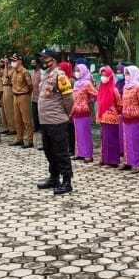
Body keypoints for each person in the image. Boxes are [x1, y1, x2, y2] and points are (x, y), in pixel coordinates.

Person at [36, 49, 74, 195]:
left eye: (45, 59)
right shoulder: (46, 75)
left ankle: (67, 181)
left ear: (53, 60)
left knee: (61, 152)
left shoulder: (60, 76)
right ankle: (54, 177)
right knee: (49, 151)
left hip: (56, 120)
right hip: (46, 120)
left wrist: (66, 113)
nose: (42, 61)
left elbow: (69, 99)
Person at [120, 65, 139, 173]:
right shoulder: (125, 86)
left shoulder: (138, 87)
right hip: (126, 117)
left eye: (128, 73)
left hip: (136, 118)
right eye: (125, 73)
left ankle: (137, 164)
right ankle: (128, 161)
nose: (126, 75)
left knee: (135, 141)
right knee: (127, 140)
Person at [71, 63, 98, 163]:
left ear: (83, 71)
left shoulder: (87, 83)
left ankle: (88, 155)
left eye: (78, 70)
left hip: (84, 111)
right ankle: (79, 153)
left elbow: (96, 94)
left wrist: (89, 100)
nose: (76, 72)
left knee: (85, 133)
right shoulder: (76, 83)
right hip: (76, 110)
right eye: (75, 70)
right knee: (78, 133)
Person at [96, 66, 122, 167]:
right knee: (104, 140)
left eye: (105, 75)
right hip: (102, 118)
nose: (103, 77)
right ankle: (104, 159)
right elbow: (99, 103)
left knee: (111, 140)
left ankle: (112, 161)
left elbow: (119, 104)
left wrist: (115, 112)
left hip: (112, 119)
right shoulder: (101, 89)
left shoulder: (114, 90)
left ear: (110, 76)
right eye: (102, 75)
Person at [8, 53, 34, 148]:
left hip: (23, 96)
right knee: (17, 119)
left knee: (26, 119)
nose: (12, 62)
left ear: (20, 61)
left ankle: (29, 141)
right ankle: (19, 139)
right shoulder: (14, 72)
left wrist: (27, 94)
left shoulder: (24, 72)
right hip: (15, 96)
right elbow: (7, 77)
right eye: (12, 60)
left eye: (14, 60)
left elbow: (30, 86)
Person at [59, 61, 77, 156]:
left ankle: (72, 149)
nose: (59, 71)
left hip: (70, 107)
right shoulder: (61, 79)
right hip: (63, 107)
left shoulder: (71, 80)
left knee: (71, 129)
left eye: (61, 69)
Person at [0, 56, 15, 136]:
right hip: (3, 87)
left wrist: (6, 65)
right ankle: (6, 127)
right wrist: (0, 65)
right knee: (3, 109)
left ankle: (12, 128)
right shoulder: (3, 69)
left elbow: (6, 76)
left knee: (9, 109)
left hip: (9, 87)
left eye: (6, 60)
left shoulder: (12, 69)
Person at [30, 57, 42, 132]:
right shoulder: (32, 72)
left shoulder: (42, 73)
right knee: (34, 114)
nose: (32, 64)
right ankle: (36, 127)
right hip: (33, 96)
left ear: (38, 64)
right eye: (31, 63)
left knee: (40, 113)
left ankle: (41, 128)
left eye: (33, 63)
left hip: (40, 97)